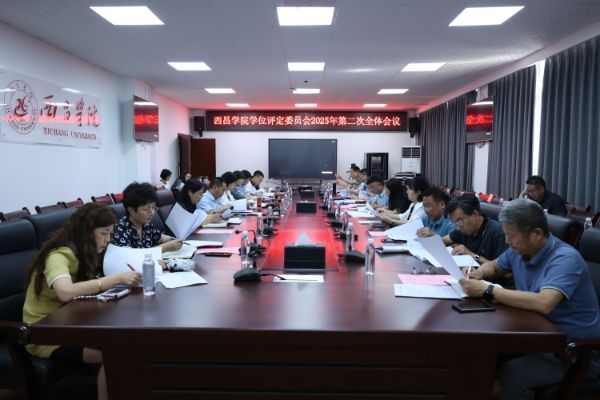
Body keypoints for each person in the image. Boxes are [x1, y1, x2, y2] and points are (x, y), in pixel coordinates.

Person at [460, 199, 600, 399]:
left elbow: (544, 303)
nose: (507, 241)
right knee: (479, 354)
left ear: (537, 233)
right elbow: (496, 266)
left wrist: (488, 290)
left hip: (573, 352)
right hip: (536, 337)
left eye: (511, 236)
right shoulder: (520, 250)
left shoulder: (565, 259)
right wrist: (479, 273)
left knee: (514, 374)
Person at [23, 203, 142, 400]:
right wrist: (115, 279)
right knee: (116, 355)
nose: (108, 240)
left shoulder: (84, 252)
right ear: (87, 231)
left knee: (125, 344)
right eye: (104, 233)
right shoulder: (59, 255)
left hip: (69, 324)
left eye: (110, 234)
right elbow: (65, 292)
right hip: (45, 335)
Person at [112, 182, 182, 252]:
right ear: (131, 210)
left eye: (153, 207)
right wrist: (164, 247)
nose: (152, 212)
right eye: (146, 209)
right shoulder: (120, 229)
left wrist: (173, 240)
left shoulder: (146, 224)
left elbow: (160, 237)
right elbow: (130, 256)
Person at [441, 194, 507, 264]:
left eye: (459, 221)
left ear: (475, 214)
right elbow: (444, 240)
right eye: (454, 223)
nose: (457, 228)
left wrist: (472, 255)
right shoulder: (463, 228)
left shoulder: (497, 232)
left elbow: (501, 269)